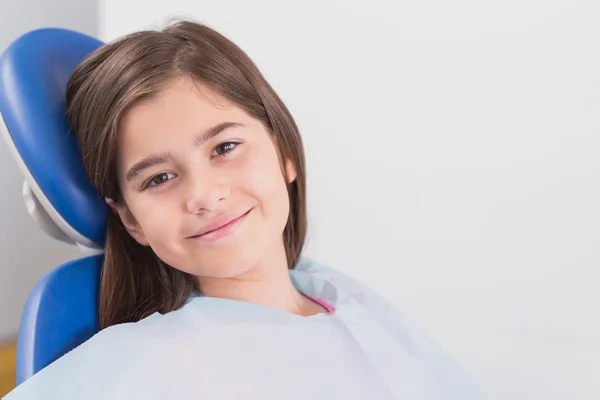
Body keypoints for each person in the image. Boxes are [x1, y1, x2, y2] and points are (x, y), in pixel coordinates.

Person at [4, 20, 485, 399]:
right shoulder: (145, 368)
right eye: (159, 178)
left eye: (225, 147)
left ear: (285, 152)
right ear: (131, 220)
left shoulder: (343, 297)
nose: (205, 195)